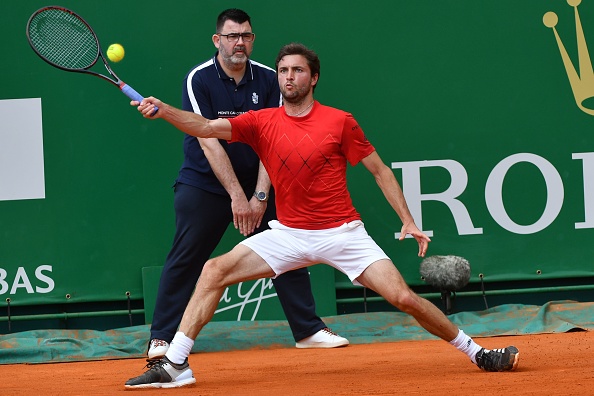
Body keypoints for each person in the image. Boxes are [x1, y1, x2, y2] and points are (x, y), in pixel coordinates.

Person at [126, 42, 520, 389]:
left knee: (404, 297)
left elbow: (380, 170)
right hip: (289, 234)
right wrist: (164, 111)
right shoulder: (262, 121)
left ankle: (477, 352)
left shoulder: (339, 121)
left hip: (342, 233)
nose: (288, 77)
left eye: (297, 70)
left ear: (313, 78)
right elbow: (206, 126)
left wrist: (408, 220)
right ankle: (174, 363)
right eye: (282, 71)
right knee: (213, 271)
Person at [146, 9, 348, 362]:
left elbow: (277, 142)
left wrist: (258, 196)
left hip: (260, 180)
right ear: (217, 40)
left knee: (289, 244)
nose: (239, 42)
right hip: (205, 182)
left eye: (246, 36)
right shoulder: (199, 79)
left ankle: (308, 330)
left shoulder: (270, 79)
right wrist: (237, 198)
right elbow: (207, 139)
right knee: (187, 256)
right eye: (232, 36)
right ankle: (162, 337)